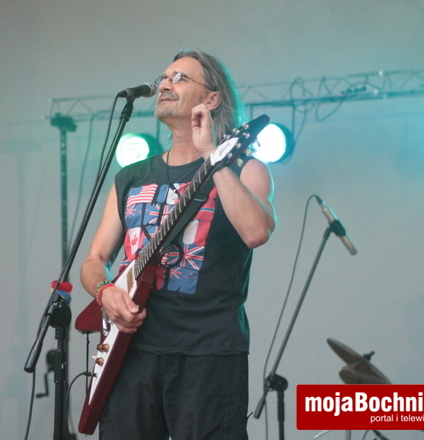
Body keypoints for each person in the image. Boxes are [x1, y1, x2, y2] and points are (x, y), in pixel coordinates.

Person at [80, 50, 277, 440]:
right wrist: (105, 293)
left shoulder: (244, 168)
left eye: (180, 78)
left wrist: (212, 156)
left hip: (208, 352)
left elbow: (256, 232)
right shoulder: (131, 177)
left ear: (212, 98)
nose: (164, 85)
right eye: (164, 77)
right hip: (131, 350)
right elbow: (94, 259)